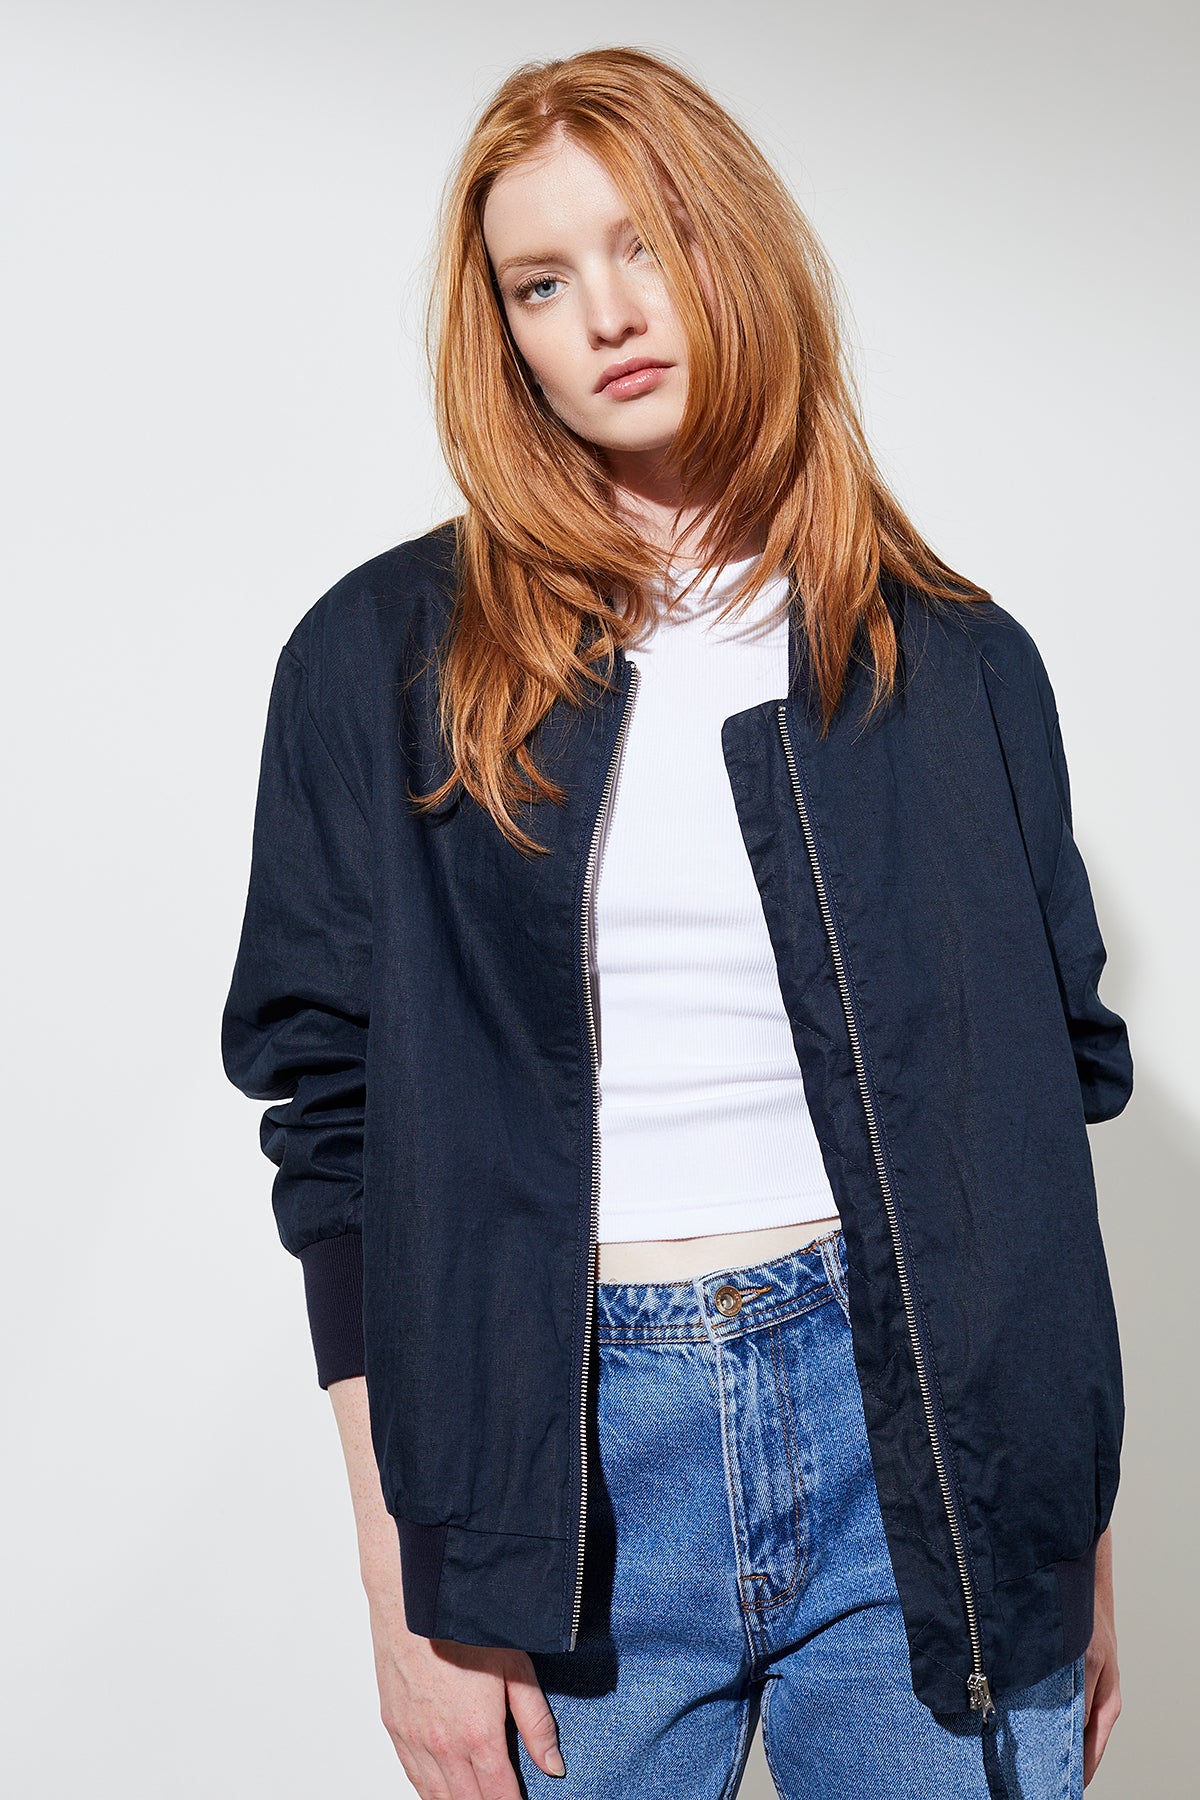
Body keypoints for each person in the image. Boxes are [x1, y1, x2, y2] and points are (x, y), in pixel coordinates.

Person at [220, 46, 1130, 1800]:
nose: (608, 316)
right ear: (504, 335)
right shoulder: (382, 659)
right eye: (541, 283)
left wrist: (1063, 1535)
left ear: (740, 250)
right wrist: (408, 1587)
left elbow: (1042, 1110)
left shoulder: (954, 661)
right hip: (562, 1469)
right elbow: (333, 1130)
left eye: (648, 245)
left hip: (921, 1457)